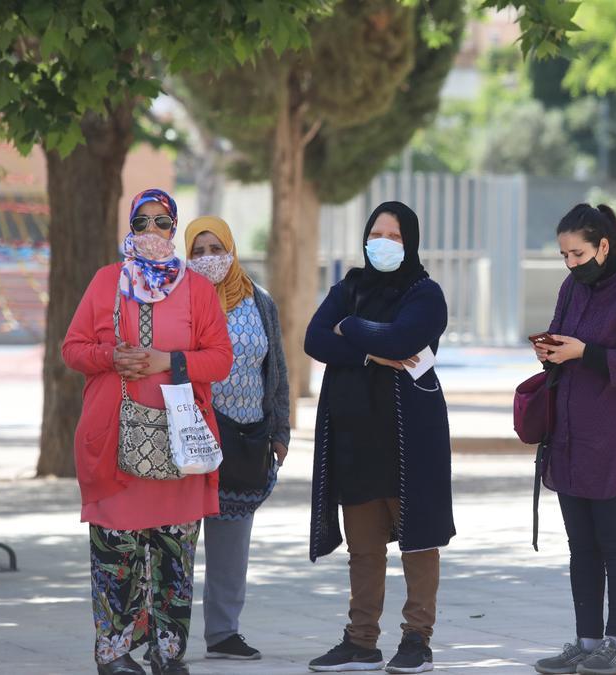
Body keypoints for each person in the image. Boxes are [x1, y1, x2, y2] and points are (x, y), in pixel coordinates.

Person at [63, 188, 233, 675]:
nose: (153, 232)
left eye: (162, 222)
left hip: (179, 445)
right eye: (143, 222)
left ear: (173, 228)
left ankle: (168, 653)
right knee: (116, 552)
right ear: (130, 229)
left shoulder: (196, 290)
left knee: (174, 555)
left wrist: (170, 361)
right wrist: (109, 357)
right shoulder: (105, 283)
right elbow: (72, 349)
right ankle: (114, 654)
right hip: (114, 442)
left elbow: (220, 359)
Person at [304, 201, 454, 673]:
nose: (383, 244)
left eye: (394, 236)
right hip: (354, 437)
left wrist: (348, 326)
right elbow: (313, 339)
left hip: (409, 439)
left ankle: (416, 640)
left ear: (409, 242)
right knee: (363, 547)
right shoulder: (350, 285)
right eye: (377, 234)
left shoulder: (425, 294)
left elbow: (400, 341)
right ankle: (361, 640)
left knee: (417, 540)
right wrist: (369, 355)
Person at [532, 204, 616, 675]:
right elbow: (562, 339)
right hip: (569, 435)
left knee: (614, 542)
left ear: (603, 246)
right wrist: (550, 351)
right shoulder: (572, 286)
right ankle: (588, 643)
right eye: (564, 255)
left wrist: (585, 353)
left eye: (578, 253)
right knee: (580, 545)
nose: (570, 263)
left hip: (615, 439)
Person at [182, 216, 290, 661]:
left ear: (231, 248)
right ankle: (166, 635)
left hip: (246, 438)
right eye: (199, 251)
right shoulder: (178, 301)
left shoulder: (259, 301)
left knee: (231, 540)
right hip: (191, 436)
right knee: (179, 540)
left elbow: (277, 371)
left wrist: (280, 431)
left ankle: (224, 633)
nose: (209, 258)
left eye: (216, 248)